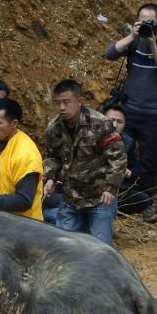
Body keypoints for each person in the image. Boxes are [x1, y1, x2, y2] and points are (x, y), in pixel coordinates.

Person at [104, 3, 157, 208]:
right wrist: (132, 37)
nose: (146, 25)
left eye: (150, 22)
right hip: (128, 112)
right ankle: (117, 199)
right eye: (142, 21)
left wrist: (153, 44)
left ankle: (146, 204)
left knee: (149, 161)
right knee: (119, 155)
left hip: (154, 114)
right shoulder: (133, 42)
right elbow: (110, 54)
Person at [43, 80, 127, 245]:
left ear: (79, 101)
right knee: (64, 246)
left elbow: (118, 157)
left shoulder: (100, 124)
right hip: (70, 198)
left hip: (99, 198)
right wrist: (50, 177)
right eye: (57, 103)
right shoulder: (54, 127)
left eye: (66, 102)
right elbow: (51, 155)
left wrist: (111, 188)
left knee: (100, 249)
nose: (61, 108)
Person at [104, 104, 156, 217]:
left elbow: (137, 168)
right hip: (92, 188)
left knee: (143, 199)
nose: (115, 125)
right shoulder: (90, 136)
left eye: (119, 122)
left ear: (124, 124)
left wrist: (129, 172)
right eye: (111, 120)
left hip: (118, 190)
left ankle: (114, 213)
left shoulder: (127, 142)